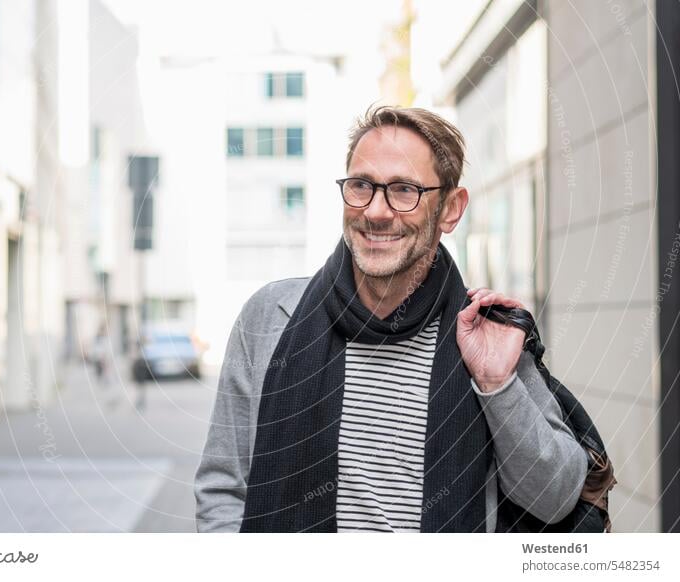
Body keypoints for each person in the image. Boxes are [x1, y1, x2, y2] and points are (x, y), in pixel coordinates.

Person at [194, 106, 588, 533]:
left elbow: (556, 499)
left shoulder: (485, 333)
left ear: (451, 210)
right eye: (361, 185)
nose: (377, 212)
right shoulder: (271, 319)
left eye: (404, 190)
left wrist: (498, 384)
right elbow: (223, 489)